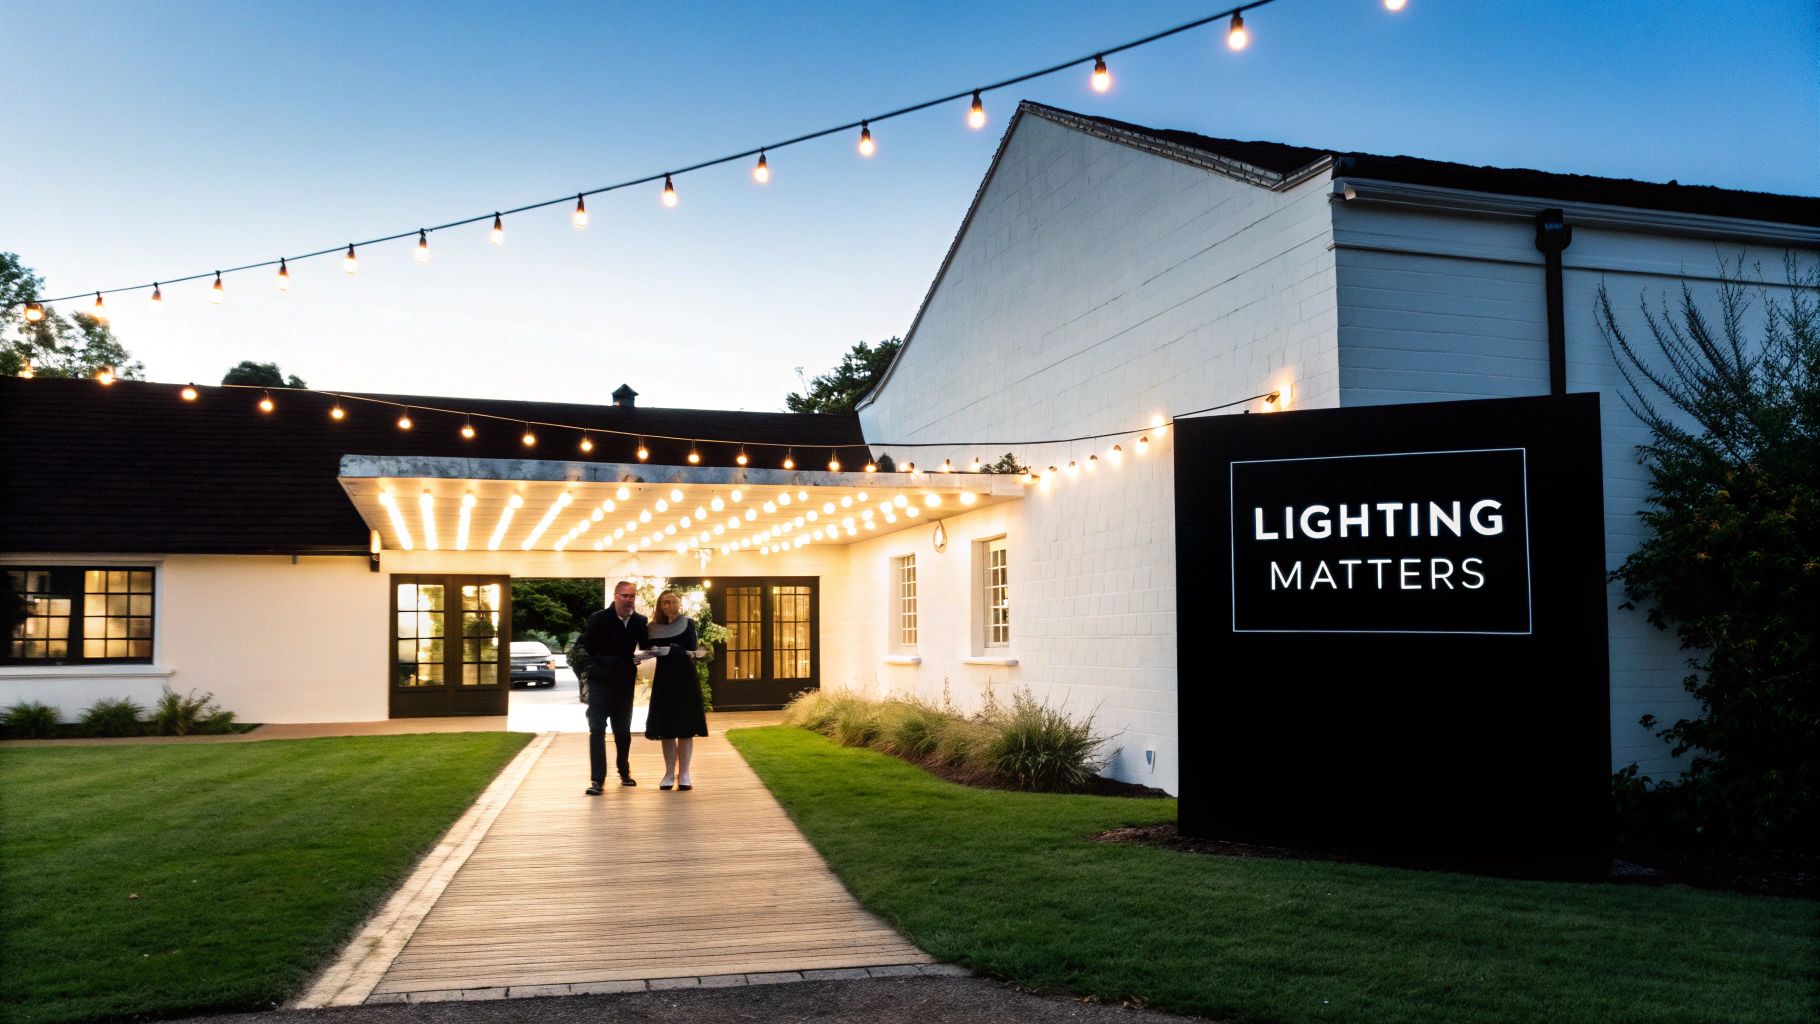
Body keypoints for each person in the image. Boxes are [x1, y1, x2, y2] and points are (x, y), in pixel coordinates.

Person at [578, 580, 646, 794]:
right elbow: (586, 648)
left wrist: (642, 657)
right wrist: (596, 667)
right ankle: (597, 780)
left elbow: (646, 647)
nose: (629, 600)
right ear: (616, 596)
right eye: (625, 596)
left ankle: (624, 772)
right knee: (597, 728)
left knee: (623, 731)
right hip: (600, 681)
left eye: (632, 596)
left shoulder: (639, 621)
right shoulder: (598, 619)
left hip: (624, 683)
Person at [640, 590, 709, 790]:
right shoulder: (652, 627)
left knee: (685, 727)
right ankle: (669, 773)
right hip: (664, 680)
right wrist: (643, 655)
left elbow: (694, 651)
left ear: (678, 604)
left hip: (685, 678)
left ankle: (685, 773)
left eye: (671, 602)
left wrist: (674, 651)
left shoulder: (688, 624)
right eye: (664, 603)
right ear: (659, 606)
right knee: (667, 729)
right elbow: (647, 649)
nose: (668, 606)